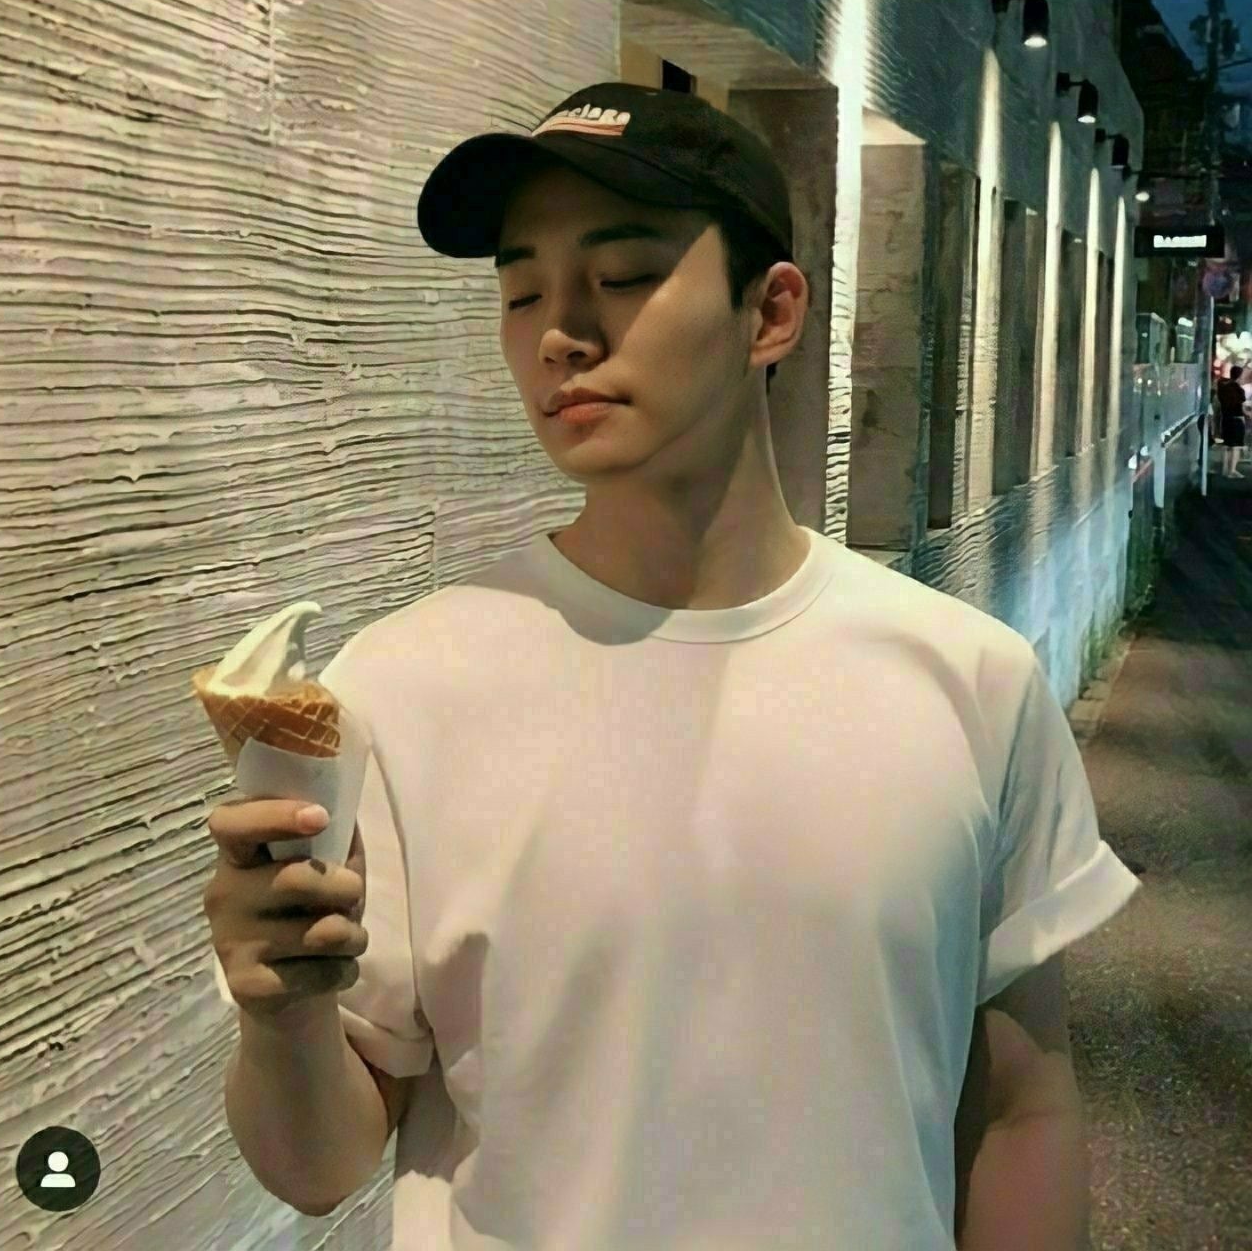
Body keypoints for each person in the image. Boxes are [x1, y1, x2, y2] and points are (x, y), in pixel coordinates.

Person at [205, 82, 1143, 1249]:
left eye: (624, 274)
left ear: (771, 311)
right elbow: (318, 1163)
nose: (560, 331)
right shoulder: (399, 687)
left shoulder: (970, 681)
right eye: (520, 290)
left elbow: (1017, 1109)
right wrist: (282, 1015)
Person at [1216, 366, 1248, 479]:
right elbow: (1241, 407)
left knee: (1227, 445)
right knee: (1236, 446)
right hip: (1237, 419)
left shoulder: (1223, 387)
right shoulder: (1239, 389)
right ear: (1240, 375)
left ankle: (1225, 470)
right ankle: (1232, 471)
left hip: (1226, 419)